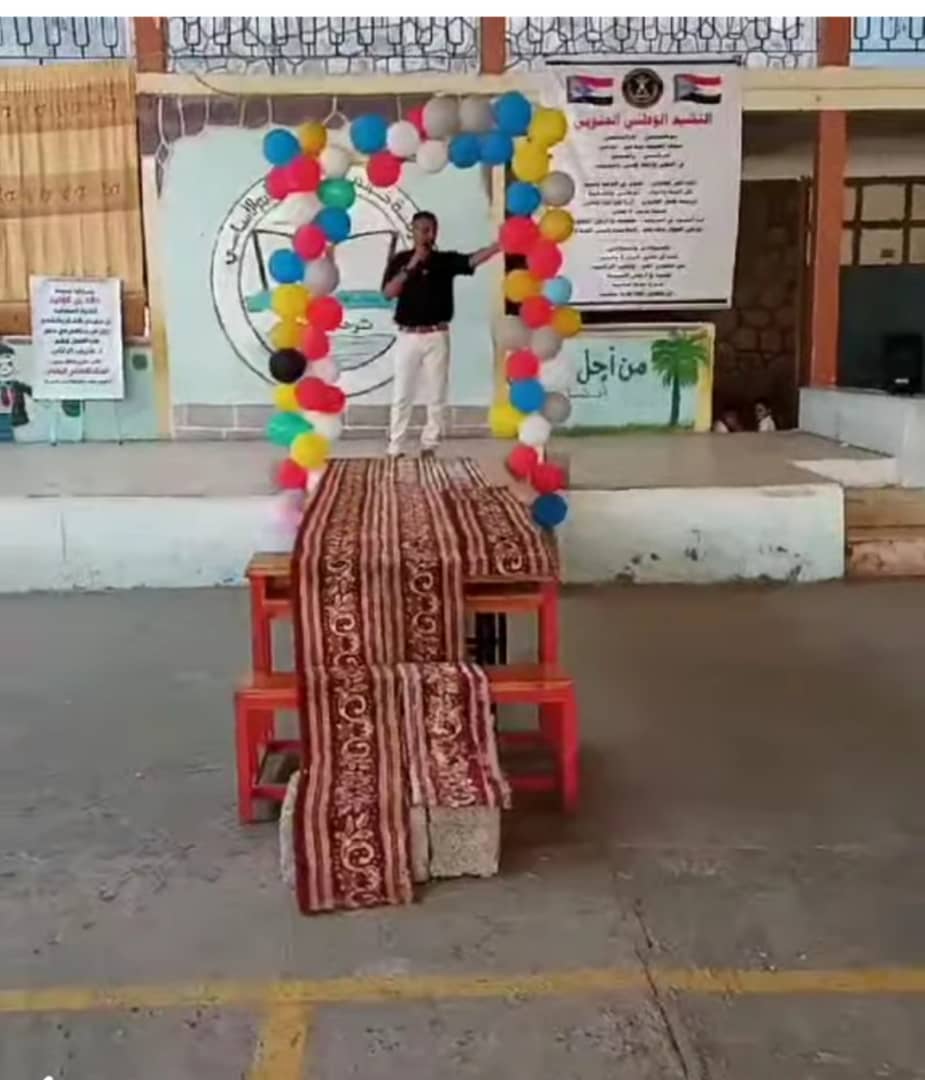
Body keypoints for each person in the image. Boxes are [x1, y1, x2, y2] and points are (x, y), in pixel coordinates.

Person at [381, 211, 500, 458]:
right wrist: (412, 264)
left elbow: (472, 260)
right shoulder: (400, 260)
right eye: (422, 229)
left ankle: (429, 444)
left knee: (436, 393)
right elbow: (388, 293)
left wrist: (497, 246)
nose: (427, 234)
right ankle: (395, 446)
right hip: (408, 336)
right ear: (412, 231)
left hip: (437, 335)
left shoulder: (444, 260)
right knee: (402, 394)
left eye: (431, 230)